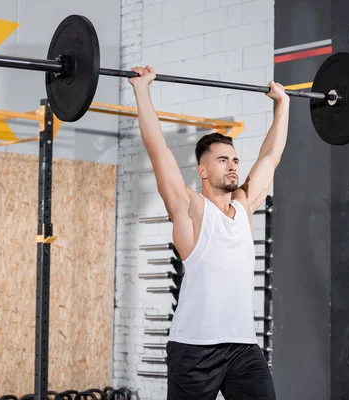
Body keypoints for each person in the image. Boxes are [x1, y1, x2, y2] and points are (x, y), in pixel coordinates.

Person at [129, 65, 289, 400]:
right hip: (195, 349)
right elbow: (158, 150)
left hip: (244, 348)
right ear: (202, 170)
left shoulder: (244, 207)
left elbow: (271, 157)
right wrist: (142, 90)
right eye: (222, 160)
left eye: (234, 159)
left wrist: (283, 103)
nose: (233, 165)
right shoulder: (190, 209)